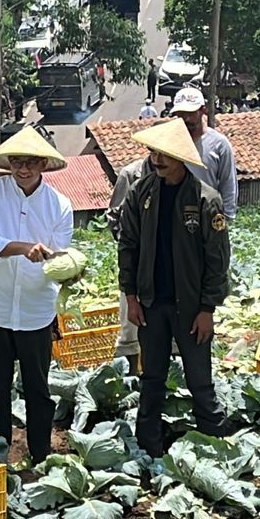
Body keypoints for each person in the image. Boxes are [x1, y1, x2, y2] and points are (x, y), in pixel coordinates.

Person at [117, 119, 230, 458]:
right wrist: (132, 297)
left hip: (191, 307)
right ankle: (148, 448)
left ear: (181, 157)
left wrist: (207, 308)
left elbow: (217, 260)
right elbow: (128, 246)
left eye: (164, 154)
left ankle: (215, 446)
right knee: (151, 378)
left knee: (199, 380)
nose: (157, 159)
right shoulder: (142, 192)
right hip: (151, 303)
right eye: (153, 152)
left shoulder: (206, 199)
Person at [0, 128, 73, 464]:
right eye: (16, 161)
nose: (22, 169)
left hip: (35, 308)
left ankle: (41, 455)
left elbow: (60, 255)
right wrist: (23, 248)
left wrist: (57, 261)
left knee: (38, 387)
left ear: (42, 163)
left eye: (29, 162)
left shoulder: (59, 204)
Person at [106, 156, 153, 376]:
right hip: (135, 262)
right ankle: (131, 376)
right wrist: (132, 242)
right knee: (130, 324)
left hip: (171, 265)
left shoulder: (183, 171)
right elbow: (113, 216)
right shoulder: (131, 174)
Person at [169, 87, 239, 220]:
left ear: (203, 110)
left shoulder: (219, 144)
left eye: (191, 113)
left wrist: (227, 218)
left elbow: (228, 183)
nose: (186, 119)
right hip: (174, 216)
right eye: (181, 114)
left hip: (207, 215)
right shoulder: (170, 142)